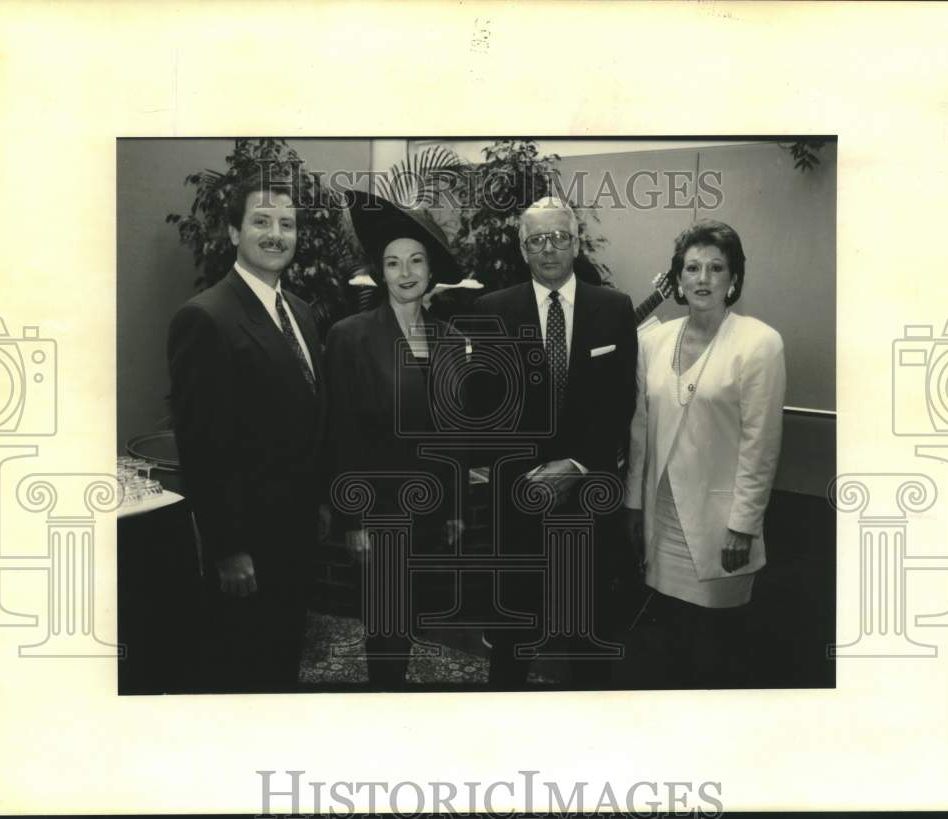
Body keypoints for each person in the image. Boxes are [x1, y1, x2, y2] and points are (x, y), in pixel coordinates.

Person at [167, 175, 329, 693]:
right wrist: (228, 550)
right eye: (261, 221)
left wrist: (322, 502)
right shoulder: (206, 317)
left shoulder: (302, 312)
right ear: (234, 231)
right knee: (241, 671)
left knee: (282, 657)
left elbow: (308, 417)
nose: (276, 234)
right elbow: (204, 446)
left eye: (287, 223)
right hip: (249, 547)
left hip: (297, 535)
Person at [472, 196, 638, 687]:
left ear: (576, 241)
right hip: (517, 500)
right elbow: (485, 410)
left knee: (588, 632)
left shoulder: (614, 308)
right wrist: (532, 474)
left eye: (559, 237)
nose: (549, 249)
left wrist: (575, 467)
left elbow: (620, 404)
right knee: (512, 633)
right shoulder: (492, 311)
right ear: (523, 249)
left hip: (589, 498)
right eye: (536, 240)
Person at [623, 219, 786, 688]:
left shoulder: (759, 343)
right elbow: (640, 430)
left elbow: (762, 444)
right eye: (691, 268)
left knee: (714, 644)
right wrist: (633, 506)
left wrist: (744, 525)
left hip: (721, 524)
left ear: (733, 280)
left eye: (716, 268)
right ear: (677, 279)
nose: (702, 278)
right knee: (668, 635)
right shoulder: (652, 341)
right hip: (663, 515)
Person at [326, 190, 467, 687]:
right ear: (379, 272)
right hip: (379, 514)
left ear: (430, 270)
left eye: (415, 261)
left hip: (431, 515)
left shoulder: (451, 338)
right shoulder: (350, 337)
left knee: (411, 620)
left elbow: (453, 436)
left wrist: (454, 508)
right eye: (392, 263)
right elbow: (342, 434)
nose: (405, 272)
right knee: (385, 630)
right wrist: (353, 520)